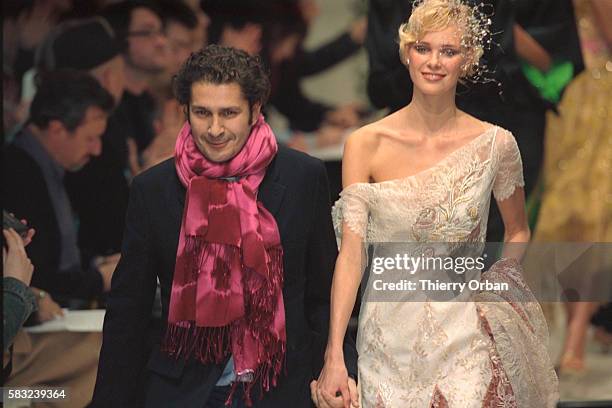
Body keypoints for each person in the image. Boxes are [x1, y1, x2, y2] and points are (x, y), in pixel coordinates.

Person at [312, 0, 558, 406]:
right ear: (406, 52)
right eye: (423, 48)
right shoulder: (365, 144)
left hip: (465, 332)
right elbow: (351, 254)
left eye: (449, 51)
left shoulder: (495, 145)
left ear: (468, 59)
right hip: (386, 337)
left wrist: (497, 290)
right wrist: (335, 352)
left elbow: (517, 228)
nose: (434, 62)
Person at [92, 44, 357, 408]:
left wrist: (339, 365)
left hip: (284, 387)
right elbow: (128, 310)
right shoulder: (152, 190)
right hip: (185, 390)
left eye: (229, 113)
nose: (215, 129)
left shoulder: (302, 178)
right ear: (185, 111)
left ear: (254, 112)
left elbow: (324, 292)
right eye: (202, 113)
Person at [533, 0, 612, 374]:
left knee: (586, 216)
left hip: (576, 91)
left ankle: (577, 334)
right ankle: (575, 334)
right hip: (595, 96)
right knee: (585, 215)